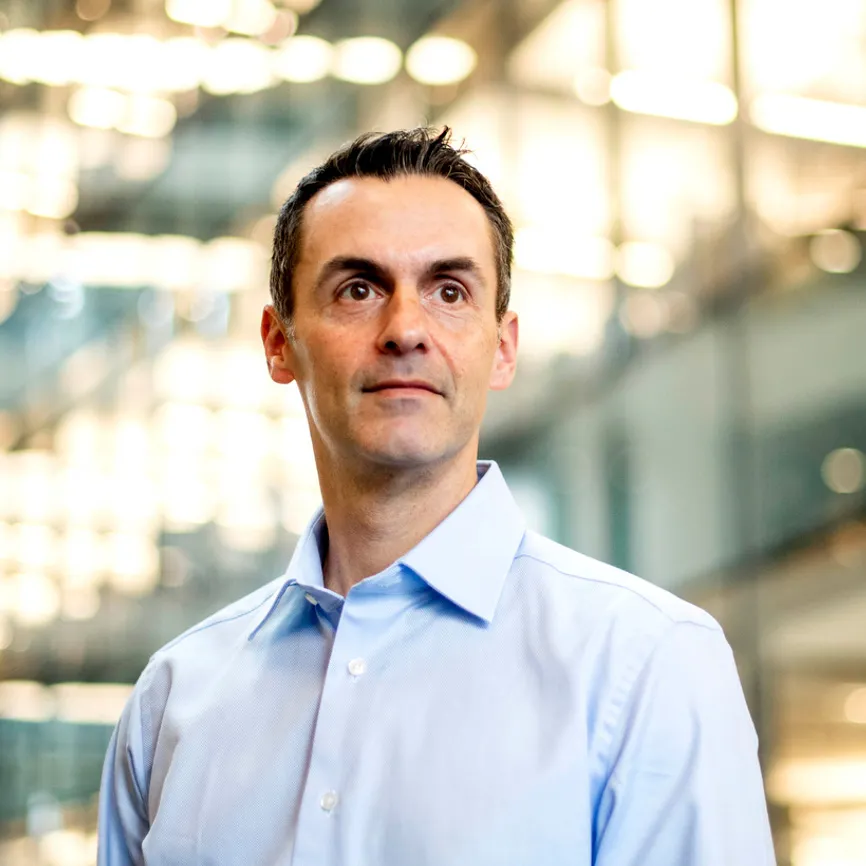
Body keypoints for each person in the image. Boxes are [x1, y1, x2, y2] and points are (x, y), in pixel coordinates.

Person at [97, 127, 776, 866]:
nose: (405, 330)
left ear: (504, 346)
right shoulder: (172, 701)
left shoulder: (646, 665)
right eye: (358, 288)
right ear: (278, 341)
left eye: (449, 291)